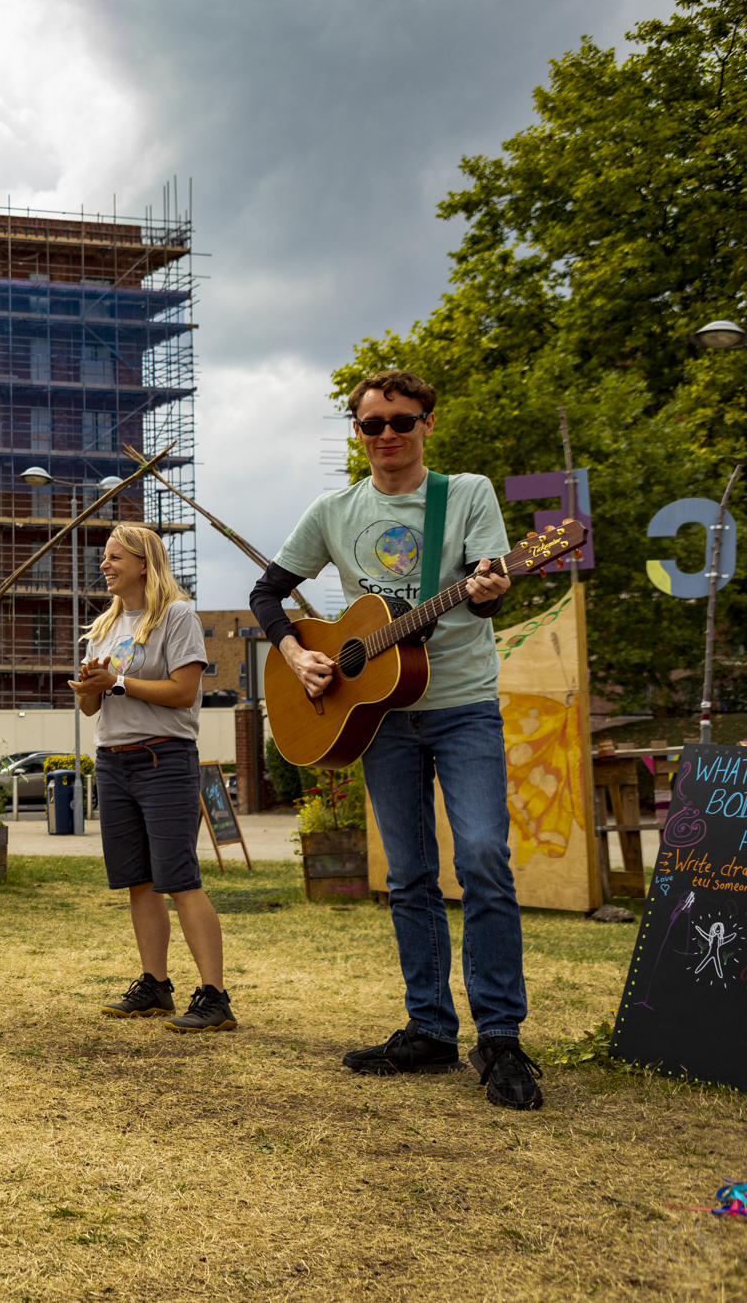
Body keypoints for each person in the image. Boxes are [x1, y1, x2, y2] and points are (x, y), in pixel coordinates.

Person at [251, 367, 539, 1110]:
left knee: (483, 857)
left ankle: (499, 1035)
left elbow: (482, 595)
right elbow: (266, 592)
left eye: (401, 421)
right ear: (357, 432)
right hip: (377, 714)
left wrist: (490, 589)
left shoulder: (466, 493)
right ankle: (430, 1029)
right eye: (371, 424)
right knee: (409, 874)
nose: (386, 435)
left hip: (463, 704)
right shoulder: (334, 509)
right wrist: (297, 654)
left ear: (427, 424)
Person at [67, 524, 233, 1033]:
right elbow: (92, 708)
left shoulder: (178, 615)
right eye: (104, 557)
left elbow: (184, 692)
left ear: (144, 563)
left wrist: (116, 681)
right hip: (113, 761)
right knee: (138, 881)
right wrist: (89, 687)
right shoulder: (103, 627)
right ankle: (155, 986)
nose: (104, 565)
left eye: (115, 557)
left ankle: (215, 998)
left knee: (179, 880)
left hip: (165, 760)